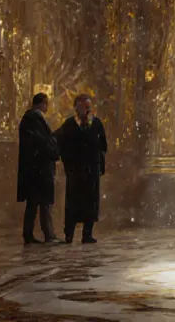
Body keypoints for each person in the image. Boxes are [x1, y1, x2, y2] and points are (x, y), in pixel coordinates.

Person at [55, 94, 108, 244]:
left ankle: (87, 234)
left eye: (89, 107)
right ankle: (69, 234)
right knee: (73, 204)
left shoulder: (96, 123)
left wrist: (98, 162)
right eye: (84, 107)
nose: (88, 110)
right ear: (76, 108)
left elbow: (103, 145)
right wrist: (68, 162)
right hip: (76, 172)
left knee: (91, 203)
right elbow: (59, 141)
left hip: (91, 172)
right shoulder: (70, 124)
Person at [18, 92, 59, 244]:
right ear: (42, 103)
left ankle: (30, 234)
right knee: (43, 203)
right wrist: (54, 148)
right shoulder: (33, 118)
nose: (47, 107)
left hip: (35, 169)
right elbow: (42, 141)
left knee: (34, 203)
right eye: (46, 103)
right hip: (39, 169)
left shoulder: (30, 118)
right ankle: (48, 234)